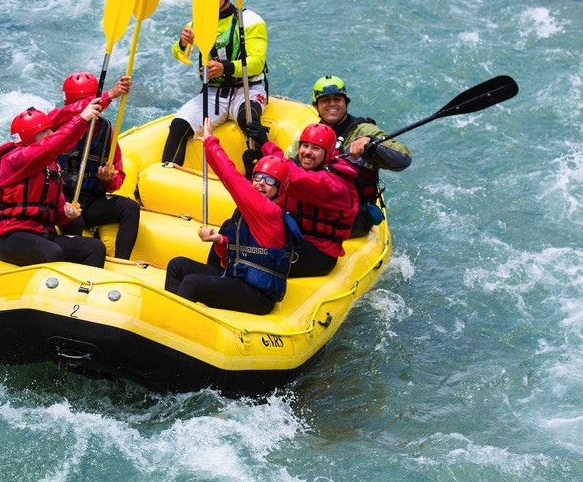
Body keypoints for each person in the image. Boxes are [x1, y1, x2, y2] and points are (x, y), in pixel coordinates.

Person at [163, 119, 297, 315]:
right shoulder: (249, 212)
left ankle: (176, 327)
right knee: (178, 266)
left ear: (280, 189)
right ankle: (165, 321)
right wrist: (219, 240)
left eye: (269, 181)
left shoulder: (269, 212)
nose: (260, 184)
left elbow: (231, 177)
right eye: (257, 178)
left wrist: (211, 142)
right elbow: (239, 253)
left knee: (193, 283)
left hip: (258, 295)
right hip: (237, 278)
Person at [161, 0, 269, 165]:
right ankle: (166, 175)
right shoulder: (197, 22)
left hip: (247, 88)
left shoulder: (251, 21)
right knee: (178, 127)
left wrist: (224, 68)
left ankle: (267, 175)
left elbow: (256, 64)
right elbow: (179, 55)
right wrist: (184, 43)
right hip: (214, 91)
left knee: (250, 121)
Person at [0, 99, 107, 268]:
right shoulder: (13, 159)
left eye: (50, 129)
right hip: (11, 235)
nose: (51, 133)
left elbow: (57, 210)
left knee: (95, 248)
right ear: (29, 137)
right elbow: (51, 145)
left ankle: (85, 291)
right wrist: (80, 119)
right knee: (51, 252)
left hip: (42, 234)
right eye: (44, 131)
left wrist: (65, 212)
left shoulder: (52, 165)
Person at [308, 76, 411, 237]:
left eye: (337, 99)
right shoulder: (312, 133)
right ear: (316, 106)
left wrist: (372, 144)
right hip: (319, 207)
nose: (332, 104)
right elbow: (288, 165)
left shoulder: (364, 130)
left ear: (346, 103)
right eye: (325, 100)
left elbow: (403, 159)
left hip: (355, 213)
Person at [53, 72, 141, 260]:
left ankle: (122, 261)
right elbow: (72, 112)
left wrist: (108, 180)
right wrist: (109, 95)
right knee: (75, 221)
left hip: (91, 200)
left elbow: (118, 178)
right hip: (62, 201)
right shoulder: (58, 124)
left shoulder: (107, 130)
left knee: (130, 208)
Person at [255, 122, 359, 277]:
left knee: (251, 258)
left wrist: (266, 145)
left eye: (316, 148)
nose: (307, 152)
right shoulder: (299, 170)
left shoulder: (332, 184)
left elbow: (296, 178)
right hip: (292, 240)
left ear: (327, 153)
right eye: (304, 146)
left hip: (319, 252)